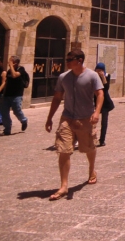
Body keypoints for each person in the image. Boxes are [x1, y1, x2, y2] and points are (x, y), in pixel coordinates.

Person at [45, 49, 103, 201]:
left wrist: (96, 112)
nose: (67, 62)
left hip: (86, 119)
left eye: (70, 59)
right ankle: (64, 186)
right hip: (67, 118)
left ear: (80, 60)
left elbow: (100, 94)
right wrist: (50, 117)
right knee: (63, 150)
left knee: (88, 148)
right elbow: (57, 98)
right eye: (67, 59)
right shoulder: (63, 77)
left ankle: (91, 170)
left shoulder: (92, 75)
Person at [1, 56, 29, 135]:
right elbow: (6, 82)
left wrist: (10, 65)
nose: (8, 62)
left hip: (17, 95)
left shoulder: (21, 69)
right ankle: (7, 128)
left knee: (16, 110)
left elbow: (14, 75)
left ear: (15, 63)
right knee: (4, 112)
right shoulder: (9, 71)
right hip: (7, 95)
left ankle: (23, 120)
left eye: (10, 61)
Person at [95, 63, 114, 147]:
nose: (99, 71)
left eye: (100, 70)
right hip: (95, 101)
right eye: (97, 69)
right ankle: (90, 138)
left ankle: (102, 140)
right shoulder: (93, 76)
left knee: (104, 122)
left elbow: (106, 88)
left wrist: (103, 77)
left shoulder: (107, 76)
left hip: (105, 102)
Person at [0, 59, 9, 133]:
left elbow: (3, 83)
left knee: (4, 112)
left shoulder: (3, 73)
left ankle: (7, 128)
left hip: (0, 95)